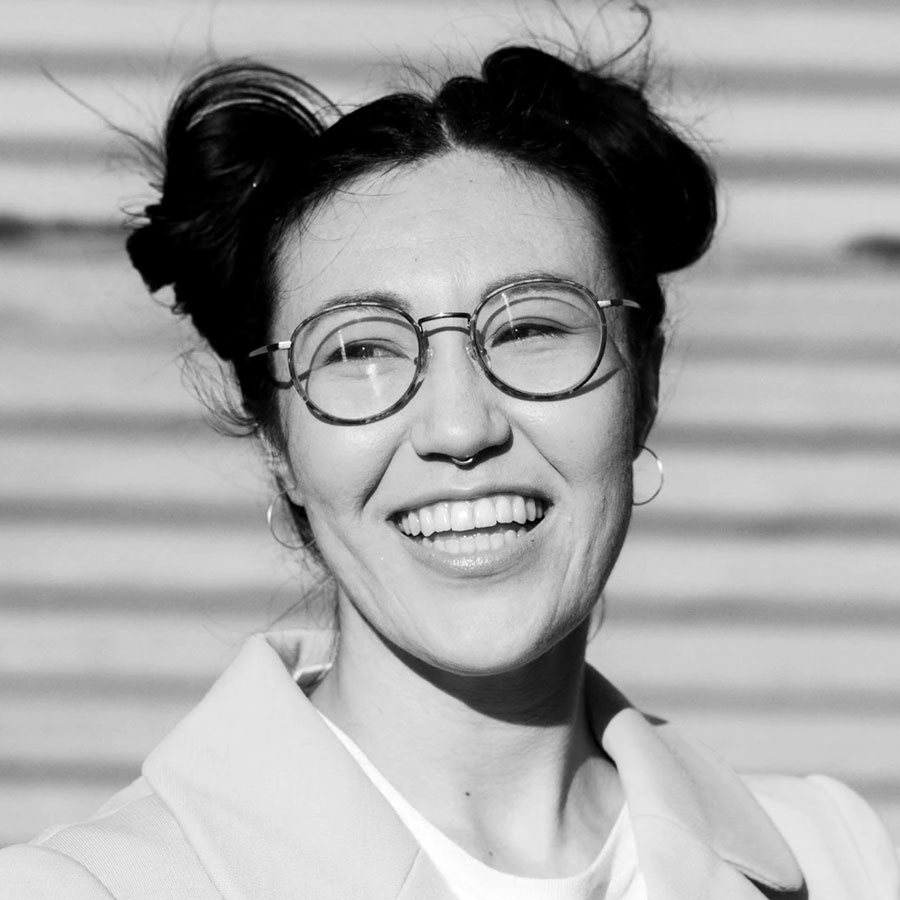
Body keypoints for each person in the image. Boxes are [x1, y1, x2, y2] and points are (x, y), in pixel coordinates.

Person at [1, 22, 898, 900]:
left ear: (645, 383)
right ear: (278, 439)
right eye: (360, 349)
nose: (461, 427)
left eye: (531, 328)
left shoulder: (838, 860)